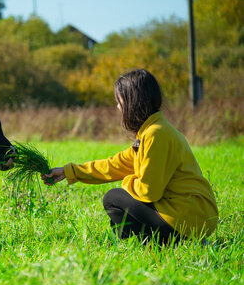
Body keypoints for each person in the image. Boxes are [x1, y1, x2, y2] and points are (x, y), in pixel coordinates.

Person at [42, 69, 218, 244]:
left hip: (189, 217)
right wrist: (69, 171)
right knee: (121, 205)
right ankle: (150, 242)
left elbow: (149, 192)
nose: (117, 107)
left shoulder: (156, 135)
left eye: (120, 101)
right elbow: (114, 165)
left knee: (113, 198)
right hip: (190, 215)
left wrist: (127, 181)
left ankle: (167, 240)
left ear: (132, 102)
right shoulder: (153, 131)